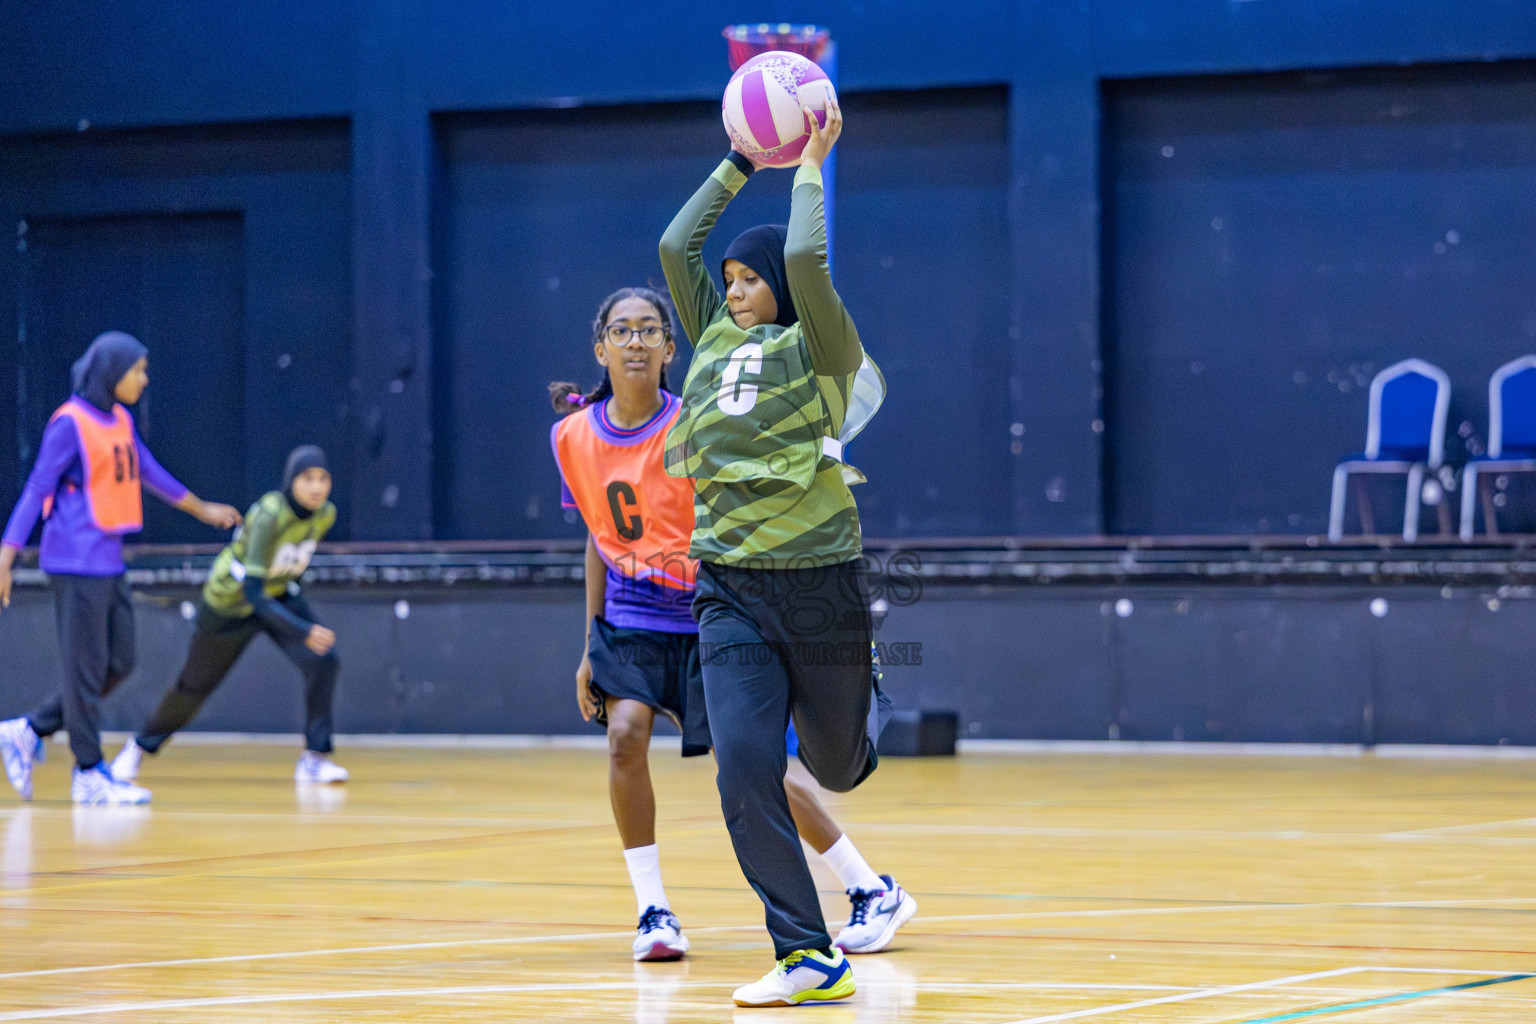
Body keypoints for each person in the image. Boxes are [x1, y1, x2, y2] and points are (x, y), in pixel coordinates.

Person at [551, 286, 910, 966]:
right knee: (625, 735)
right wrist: (588, 641)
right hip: (630, 614)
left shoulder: (700, 424)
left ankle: (870, 888)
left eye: (649, 329)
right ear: (600, 348)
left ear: (670, 349)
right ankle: (652, 910)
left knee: (752, 766)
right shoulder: (571, 436)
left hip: (712, 608)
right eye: (621, 331)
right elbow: (597, 537)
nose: (635, 341)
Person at [659, 97, 910, 1007]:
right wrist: (736, 162)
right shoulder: (713, 335)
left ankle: (861, 692)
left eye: (746, 280)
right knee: (743, 764)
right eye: (725, 281)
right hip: (726, 585)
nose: (730, 291)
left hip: (818, 585)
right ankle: (808, 952)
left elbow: (805, 257)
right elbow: (672, 247)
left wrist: (807, 160)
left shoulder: (823, 343)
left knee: (839, 765)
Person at [0, 331, 241, 805]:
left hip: (108, 562)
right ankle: (88, 772)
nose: (144, 379)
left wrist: (202, 508)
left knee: (120, 662)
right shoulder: (69, 423)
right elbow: (35, 489)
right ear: (113, 372)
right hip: (74, 562)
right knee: (84, 668)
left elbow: (148, 471)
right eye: (138, 370)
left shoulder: (120, 420)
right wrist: (5, 558)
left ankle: (29, 730)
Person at [108, 446, 347, 786]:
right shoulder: (269, 514)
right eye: (307, 478)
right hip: (232, 603)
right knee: (193, 688)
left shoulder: (325, 515)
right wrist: (302, 629)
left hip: (275, 593)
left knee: (324, 661)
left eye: (323, 479)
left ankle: (314, 758)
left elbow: (285, 567)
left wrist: (298, 618)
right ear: (291, 482)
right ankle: (137, 748)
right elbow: (253, 592)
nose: (317, 487)